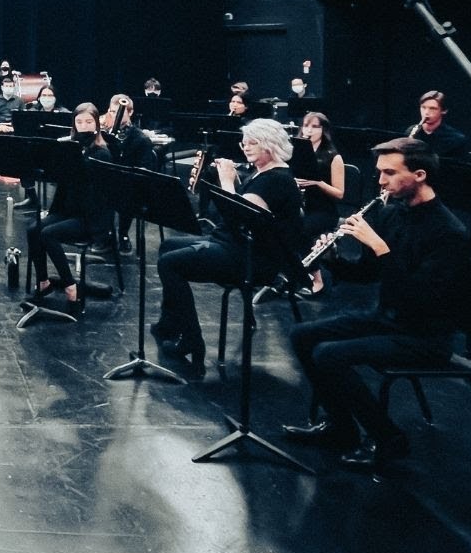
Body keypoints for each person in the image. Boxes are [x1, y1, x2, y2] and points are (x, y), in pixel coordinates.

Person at [285, 137, 471, 469]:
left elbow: (422, 298)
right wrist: (332, 258)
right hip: (389, 318)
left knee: (330, 354)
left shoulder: (449, 233)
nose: (380, 181)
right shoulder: (393, 214)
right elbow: (366, 274)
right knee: (302, 336)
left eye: (389, 173)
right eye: (379, 173)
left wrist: (381, 248)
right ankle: (341, 429)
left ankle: (389, 438)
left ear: (420, 174)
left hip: (425, 337)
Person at [152, 118, 303, 378]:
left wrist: (226, 181)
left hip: (251, 258)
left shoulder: (275, 179)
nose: (245, 147)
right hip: (234, 245)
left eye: (252, 142)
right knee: (168, 245)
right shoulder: (263, 173)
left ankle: (191, 340)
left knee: (170, 263)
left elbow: (243, 216)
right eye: (244, 142)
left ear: (270, 144)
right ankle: (170, 322)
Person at [25, 103, 115, 315]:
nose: (84, 126)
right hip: (68, 211)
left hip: (91, 217)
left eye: (89, 122)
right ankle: (44, 281)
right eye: (79, 122)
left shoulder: (102, 154)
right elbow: (62, 184)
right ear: (73, 124)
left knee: (48, 234)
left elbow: (98, 196)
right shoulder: (71, 148)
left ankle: (70, 286)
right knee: (33, 229)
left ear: (97, 125)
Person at [92, 94, 156, 254]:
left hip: (129, 184)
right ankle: (103, 233)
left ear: (131, 112)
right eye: (111, 112)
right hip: (107, 182)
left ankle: (123, 234)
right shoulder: (102, 134)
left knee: (127, 194)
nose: (114, 115)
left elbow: (145, 170)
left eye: (118, 112)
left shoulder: (140, 139)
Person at [293, 112, 345, 295]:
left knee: (299, 230)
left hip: (324, 211)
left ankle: (317, 278)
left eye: (315, 126)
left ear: (324, 130)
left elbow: (339, 194)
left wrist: (318, 183)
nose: (309, 130)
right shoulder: (295, 151)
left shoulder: (333, 156)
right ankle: (292, 273)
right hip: (301, 207)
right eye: (306, 126)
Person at [407, 90, 469, 159]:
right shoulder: (411, 131)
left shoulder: (456, 139)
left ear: (444, 111)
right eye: (423, 107)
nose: (426, 112)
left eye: (433, 108)